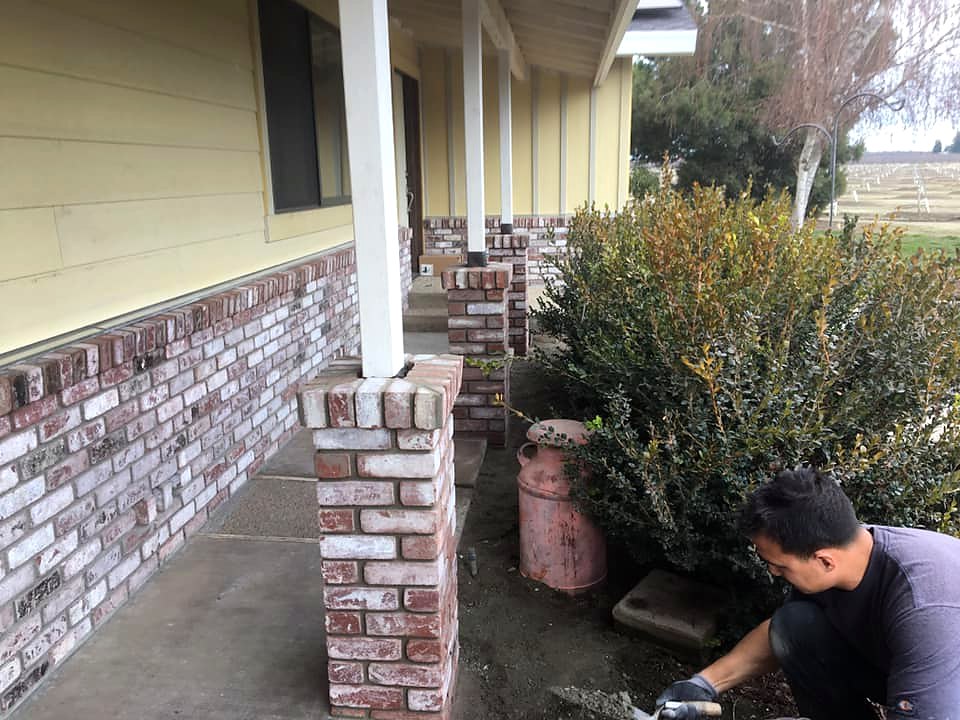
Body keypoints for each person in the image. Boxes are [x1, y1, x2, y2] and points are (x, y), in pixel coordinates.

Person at [655, 466, 960, 720]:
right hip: (908, 670)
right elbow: (783, 632)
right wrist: (703, 684)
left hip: (944, 694)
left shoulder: (926, 607)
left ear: (824, 561)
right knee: (794, 624)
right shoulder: (846, 550)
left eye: (778, 566)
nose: (773, 572)